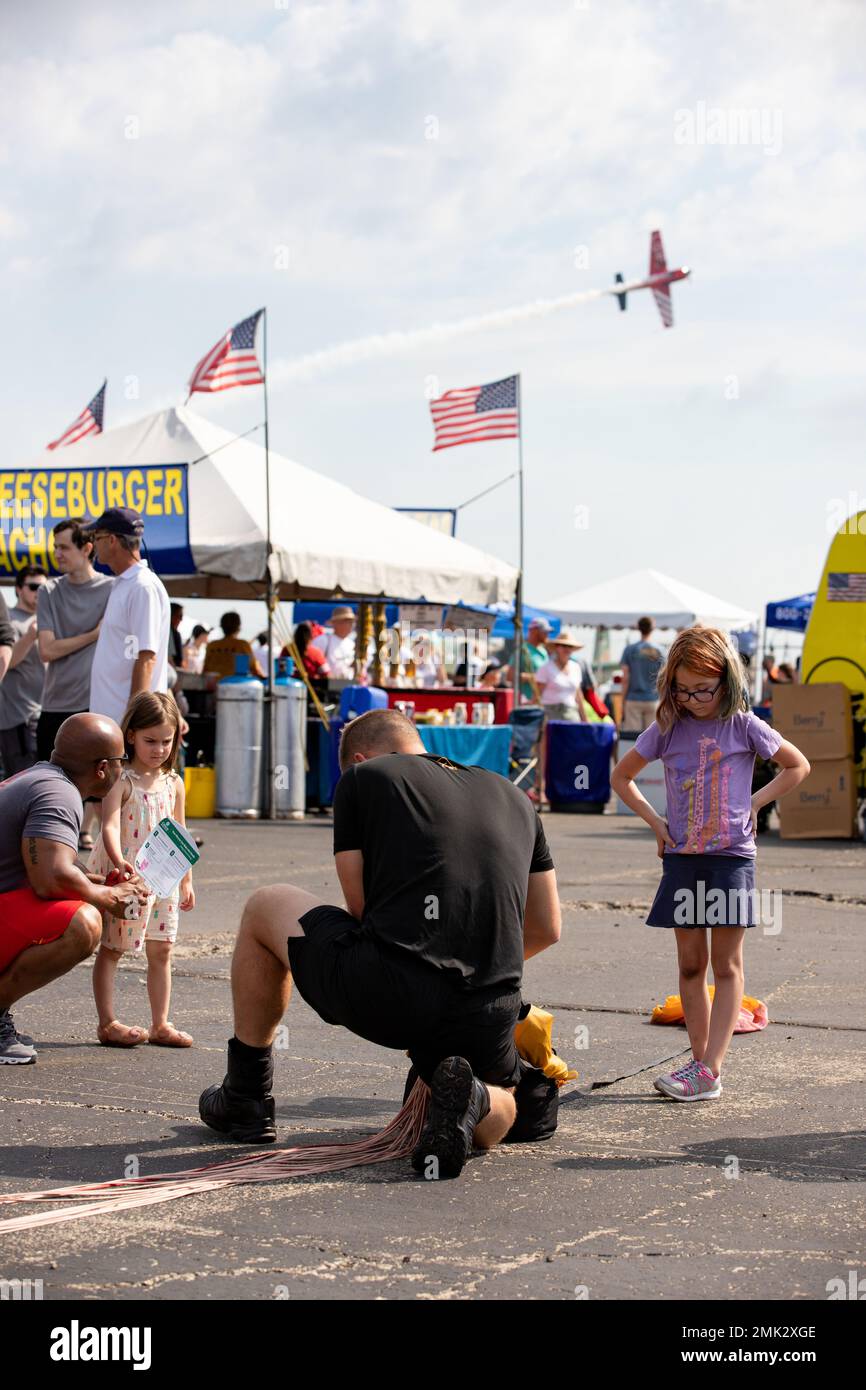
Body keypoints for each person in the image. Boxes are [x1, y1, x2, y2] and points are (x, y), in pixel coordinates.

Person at [199, 708, 561, 1176]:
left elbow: (362, 907)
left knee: (264, 905)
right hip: (489, 1004)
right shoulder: (515, 795)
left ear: (360, 758)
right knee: (505, 1096)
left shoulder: (363, 778)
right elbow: (547, 929)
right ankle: (473, 1097)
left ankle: (245, 1096)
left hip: (392, 988)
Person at [611, 626, 810, 1101]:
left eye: (702, 689)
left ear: (727, 681)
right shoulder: (667, 727)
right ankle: (699, 1065)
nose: (693, 698)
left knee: (725, 965)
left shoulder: (744, 725)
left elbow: (797, 765)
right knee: (689, 966)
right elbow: (622, 777)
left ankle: (710, 1069)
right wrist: (656, 823)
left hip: (729, 859)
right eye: (682, 689)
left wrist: (754, 803)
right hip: (682, 860)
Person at [0, 713, 147, 1063]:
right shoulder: (59, 793)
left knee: (84, 903)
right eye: (120, 761)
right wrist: (108, 898)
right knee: (83, 924)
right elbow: (49, 879)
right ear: (101, 768)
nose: (122, 769)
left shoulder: (43, 779)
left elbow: (41, 865)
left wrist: (99, 882)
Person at [89, 692, 195, 1048]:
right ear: (131, 735)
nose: (159, 749)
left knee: (162, 949)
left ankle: (161, 1024)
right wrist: (119, 860)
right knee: (113, 947)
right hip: (129, 878)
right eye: (151, 740)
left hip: (163, 878)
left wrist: (187, 881)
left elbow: (180, 833)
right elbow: (108, 825)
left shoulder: (174, 782)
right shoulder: (121, 779)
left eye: (167, 741)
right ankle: (107, 1021)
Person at [36, 518, 113, 762]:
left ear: (87, 549)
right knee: (50, 790)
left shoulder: (114, 588)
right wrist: (93, 635)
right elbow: (46, 650)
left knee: (94, 796)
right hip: (54, 706)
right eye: (55, 547)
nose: (57, 554)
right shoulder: (48, 590)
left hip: (97, 707)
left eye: (64, 547)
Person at [87, 508, 171, 726]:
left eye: (96, 537)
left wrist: (132, 721)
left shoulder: (142, 586)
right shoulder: (126, 583)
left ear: (112, 540)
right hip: (114, 721)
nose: (94, 544)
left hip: (125, 723)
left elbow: (146, 657)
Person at [0, 567, 48, 776]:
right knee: (20, 780)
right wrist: (29, 636)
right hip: (17, 716)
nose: (39, 591)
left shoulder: (50, 619)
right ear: (18, 589)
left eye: (44, 588)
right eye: (33, 586)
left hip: (47, 712)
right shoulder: (8, 619)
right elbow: (7, 662)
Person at [620, 616, 665, 731]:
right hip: (653, 700)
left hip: (633, 699)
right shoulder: (661, 650)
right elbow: (664, 678)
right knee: (653, 740)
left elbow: (625, 678)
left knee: (633, 741)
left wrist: (622, 701)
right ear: (652, 629)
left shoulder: (629, 649)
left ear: (638, 628)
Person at [535, 630, 590, 721]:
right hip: (550, 714)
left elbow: (578, 695)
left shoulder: (576, 667)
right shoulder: (546, 668)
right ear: (557, 647)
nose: (567, 649)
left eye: (570, 646)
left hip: (571, 714)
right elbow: (537, 696)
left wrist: (584, 718)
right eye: (564, 646)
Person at [203, 612, 264, 680]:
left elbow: (205, 670)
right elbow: (253, 669)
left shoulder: (212, 645)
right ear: (238, 627)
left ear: (222, 626)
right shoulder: (242, 645)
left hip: (214, 686)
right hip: (236, 686)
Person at [506, 616, 550, 702]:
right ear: (534, 631)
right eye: (544, 631)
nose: (547, 634)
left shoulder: (544, 651)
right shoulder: (522, 651)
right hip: (526, 702)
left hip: (543, 702)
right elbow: (510, 676)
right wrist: (532, 677)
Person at [310, 606, 356, 680]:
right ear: (336, 623)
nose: (351, 624)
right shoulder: (323, 640)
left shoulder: (352, 644)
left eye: (351, 621)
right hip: (326, 687)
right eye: (346, 621)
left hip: (348, 686)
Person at [168, 603, 185, 670]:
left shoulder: (174, 633)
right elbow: (169, 659)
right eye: (179, 616)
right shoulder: (169, 632)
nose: (181, 619)